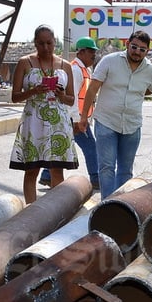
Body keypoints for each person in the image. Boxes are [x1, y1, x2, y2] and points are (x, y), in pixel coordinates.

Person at [79, 30, 152, 198]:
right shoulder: (109, 61)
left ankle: (120, 208)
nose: (137, 51)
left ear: (147, 51)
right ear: (127, 44)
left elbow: (151, 89)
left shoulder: (151, 71)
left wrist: (135, 95)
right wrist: (84, 116)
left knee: (125, 170)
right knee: (107, 167)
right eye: (134, 46)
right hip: (106, 122)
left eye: (142, 49)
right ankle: (106, 207)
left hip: (132, 125)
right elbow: (93, 88)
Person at [9, 24, 77, 204]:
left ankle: (55, 210)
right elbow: (15, 97)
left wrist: (62, 95)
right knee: (32, 169)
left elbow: (71, 100)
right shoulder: (25, 62)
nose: (45, 48)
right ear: (35, 43)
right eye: (41, 44)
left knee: (57, 170)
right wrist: (34, 91)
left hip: (58, 123)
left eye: (49, 43)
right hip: (34, 122)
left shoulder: (65, 65)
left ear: (55, 43)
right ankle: (31, 210)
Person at [68, 36, 101, 191]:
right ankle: (96, 178)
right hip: (75, 118)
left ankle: (47, 175)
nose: (93, 56)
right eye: (91, 52)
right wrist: (77, 119)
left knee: (64, 146)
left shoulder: (85, 69)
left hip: (81, 117)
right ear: (81, 52)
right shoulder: (75, 69)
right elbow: (73, 96)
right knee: (91, 147)